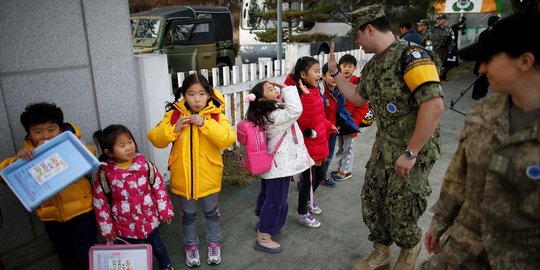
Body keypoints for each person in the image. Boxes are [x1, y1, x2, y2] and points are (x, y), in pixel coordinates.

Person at [327, 5, 444, 270]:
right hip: (384, 146)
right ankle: (381, 252)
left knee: (402, 206)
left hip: (413, 149)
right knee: (373, 199)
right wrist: (334, 73)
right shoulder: (375, 64)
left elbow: (433, 106)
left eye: (357, 36)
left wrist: (411, 153)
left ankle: (409, 249)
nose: (356, 41)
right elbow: (357, 96)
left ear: (369, 29)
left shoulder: (412, 56)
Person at [423, 12, 540, 269]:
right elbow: (459, 174)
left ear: (525, 61)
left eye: (489, 59)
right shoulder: (482, 113)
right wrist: (441, 220)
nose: (482, 68)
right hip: (462, 249)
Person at [147, 73, 236, 267]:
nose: (197, 99)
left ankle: (214, 244)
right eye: (191, 94)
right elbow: (155, 138)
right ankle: (191, 247)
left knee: (212, 213)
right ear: (184, 95)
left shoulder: (215, 114)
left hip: (209, 177)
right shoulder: (175, 114)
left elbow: (228, 138)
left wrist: (205, 124)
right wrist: (174, 128)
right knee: (188, 216)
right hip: (183, 179)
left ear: (209, 94)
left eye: (202, 94)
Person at [0, 102, 97, 270]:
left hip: (83, 211)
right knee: (66, 254)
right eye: (38, 131)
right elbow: (4, 175)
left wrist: (73, 147)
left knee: (89, 251)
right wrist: (18, 161)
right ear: (29, 134)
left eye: (51, 129)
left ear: (60, 128)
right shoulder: (27, 156)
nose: (45, 136)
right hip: (51, 217)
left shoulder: (71, 144)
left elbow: (91, 152)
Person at [93, 124, 175, 270]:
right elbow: (100, 202)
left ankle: (166, 265)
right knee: (129, 254)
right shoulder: (105, 174)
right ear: (109, 152)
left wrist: (165, 211)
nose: (129, 147)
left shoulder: (145, 166)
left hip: (148, 220)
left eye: (130, 142)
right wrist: (107, 228)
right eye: (122, 145)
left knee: (157, 246)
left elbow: (159, 188)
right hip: (124, 225)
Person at [245, 80, 313, 253]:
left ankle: (263, 223)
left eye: (274, 88)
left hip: (275, 166)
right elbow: (295, 110)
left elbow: (293, 109)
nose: (276, 90)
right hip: (279, 167)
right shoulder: (273, 116)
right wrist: (288, 88)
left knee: (269, 197)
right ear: (261, 100)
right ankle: (263, 237)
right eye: (270, 89)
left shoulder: (271, 113)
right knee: (276, 202)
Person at [284, 56, 332, 228]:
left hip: (318, 141)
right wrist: (308, 97)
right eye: (316, 71)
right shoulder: (302, 95)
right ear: (303, 75)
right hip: (309, 145)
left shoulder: (313, 89)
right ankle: (302, 212)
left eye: (320, 71)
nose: (319, 75)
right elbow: (306, 120)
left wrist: (328, 125)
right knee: (311, 177)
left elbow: (319, 116)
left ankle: (309, 199)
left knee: (318, 175)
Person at [331, 54, 369, 182]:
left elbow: (363, 106)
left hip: (351, 122)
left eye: (350, 66)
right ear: (339, 67)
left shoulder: (358, 83)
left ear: (355, 68)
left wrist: (355, 121)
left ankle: (346, 171)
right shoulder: (337, 82)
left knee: (349, 148)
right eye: (344, 66)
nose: (347, 68)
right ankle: (341, 168)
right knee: (341, 147)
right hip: (341, 123)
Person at [320, 62, 343, 186]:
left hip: (333, 130)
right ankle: (306, 180)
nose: (334, 78)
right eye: (331, 75)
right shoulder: (321, 93)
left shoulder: (340, 92)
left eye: (336, 75)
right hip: (322, 131)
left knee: (329, 156)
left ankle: (322, 176)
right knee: (318, 158)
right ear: (323, 76)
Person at [471, 15, 499, 100]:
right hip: (483, 59)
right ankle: (476, 94)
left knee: (487, 78)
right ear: (494, 23)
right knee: (480, 78)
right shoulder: (485, 33)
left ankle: (483, 92)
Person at [432, 14, 455, 80]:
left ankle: (440, 77)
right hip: (434, 49)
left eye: (440, 19)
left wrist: (449, 51)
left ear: (445, 20)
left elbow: (452, 41)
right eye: (438, 19)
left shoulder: (449, 30)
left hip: (443, 50)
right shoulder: (433, 29)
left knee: (442, 65)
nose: (438, 20)